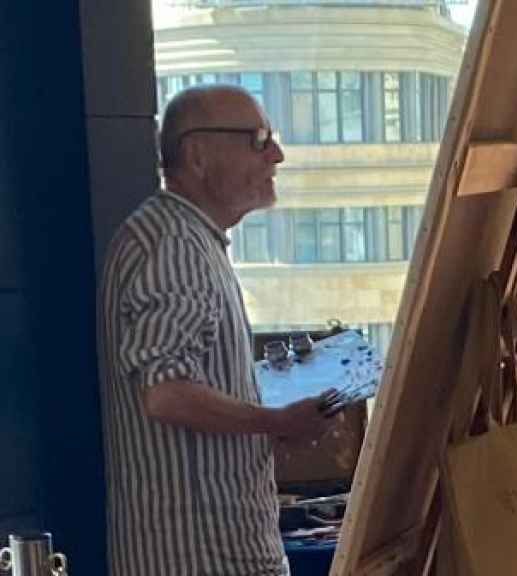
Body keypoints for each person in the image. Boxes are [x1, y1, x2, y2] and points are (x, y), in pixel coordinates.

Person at [98, 85, 338, 576]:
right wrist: (276, 422)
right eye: (259, 139)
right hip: (198, 558)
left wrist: (265, 417)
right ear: (198, 154)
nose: (278, 154)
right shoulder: (174, 245)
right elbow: (165, 395)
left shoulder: (185, 240)